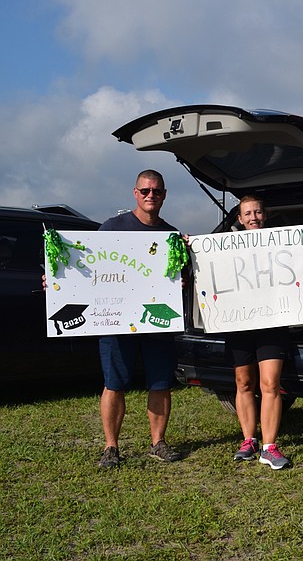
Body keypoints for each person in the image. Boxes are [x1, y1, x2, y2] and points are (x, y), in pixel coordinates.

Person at [229, 195, 303, 470]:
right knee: (243, 383)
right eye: (247, 213)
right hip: (239, 322)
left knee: (270, 384)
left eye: (257, 212)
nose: (253, 217)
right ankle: (248, 440)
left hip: (272, 322)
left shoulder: (282, 243)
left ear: (264, 215)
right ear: (240, 218)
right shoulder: (226, 246)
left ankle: (269, 446)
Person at [97, 169, 182, 468]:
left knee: (160, 383)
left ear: (164, 195)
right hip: (116, 321)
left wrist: (180, 282)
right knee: (114, 383)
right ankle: (111, 447)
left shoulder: (172, 235)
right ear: (135, 193)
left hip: (158, 320)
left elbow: (183, 276)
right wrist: (55, 281)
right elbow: (85, 267)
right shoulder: (112, 227)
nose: (150, 196)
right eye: (145, 191)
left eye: (156, 191)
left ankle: (158, 443)